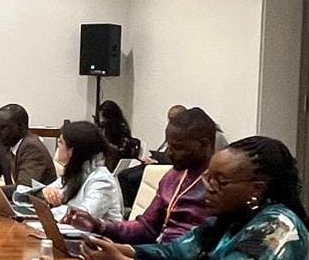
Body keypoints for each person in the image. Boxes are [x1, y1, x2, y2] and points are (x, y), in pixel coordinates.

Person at [82, 136, 309, 260]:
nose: (208, 188)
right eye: (208, 177)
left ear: (256, 189)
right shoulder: (229, 218)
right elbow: (176, 252)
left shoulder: (278, 226)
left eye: (221, 182)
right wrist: (123, 250)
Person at [66, 107, 216, 243]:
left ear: (204, 144)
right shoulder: (172, 178)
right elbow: (146, 227)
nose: (169, 153)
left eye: (177, 147)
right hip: (154, 256)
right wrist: (99, 225)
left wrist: (130, 258)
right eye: (169, 145)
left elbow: (196, 251)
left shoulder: (218, 186)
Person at [41, 121, 123, 221]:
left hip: (95, 231)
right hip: (71, 230)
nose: (58, 146)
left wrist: (48, 211)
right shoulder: (77, 171)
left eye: (61, 142)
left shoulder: (102, 181)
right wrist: (47, 192)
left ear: (72, 151)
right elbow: (52, 189)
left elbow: (82, 216)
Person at [0, 103, 57, 193]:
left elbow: (23, 189)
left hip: (36, 201)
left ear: (21, 126)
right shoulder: (6, 146)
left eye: (2, 128)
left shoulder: (32, 147)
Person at [116, 104, 187, 203]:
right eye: (169, 119)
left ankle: (135, 203)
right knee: (123, 174)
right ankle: (129, 206)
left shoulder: (186, 134)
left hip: (166, 166)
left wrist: (157, 161)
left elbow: (178, 158)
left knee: (130, 178)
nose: (170, 122)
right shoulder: (171, 131)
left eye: (173, 119)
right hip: (158, 162)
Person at [97, 100, 139, 167]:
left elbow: (121, 150)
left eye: (103, 117)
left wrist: (105, 144)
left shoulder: (121, 128)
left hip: (118, 159)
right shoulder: (106, 126)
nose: (101, 120)